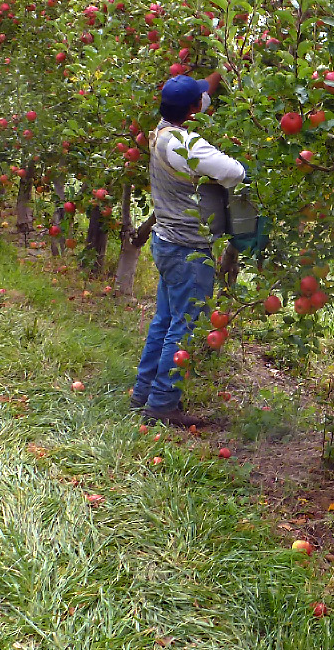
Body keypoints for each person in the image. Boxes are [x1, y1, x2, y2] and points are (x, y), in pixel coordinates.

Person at [130, 72, 246, 427]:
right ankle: (163, 403)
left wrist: (219, 73)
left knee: (164, 321)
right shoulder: (186, 146)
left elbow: (198, 93)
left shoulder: (160, 134)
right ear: (195, 108)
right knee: (182, 328)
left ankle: (143, 393)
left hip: (166, 241)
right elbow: (235, 171)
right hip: (188, 249)